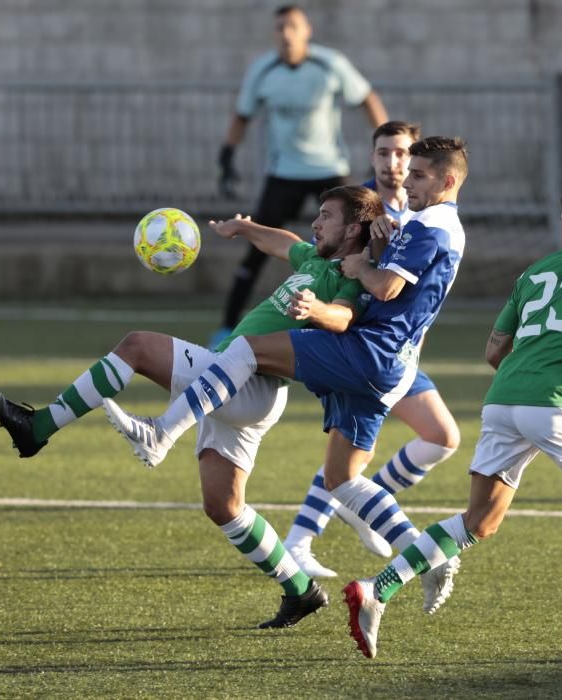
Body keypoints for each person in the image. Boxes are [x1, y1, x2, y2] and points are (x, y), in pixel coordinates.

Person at [0, 185, 385, 630]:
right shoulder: (314, 257)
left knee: (137, 346)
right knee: (224, 506)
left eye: (325, 216)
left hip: (247, 383)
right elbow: (284, 243)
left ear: (352, 229)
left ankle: (38, 427)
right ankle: (300, 591)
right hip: (234, 385)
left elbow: (345, 316)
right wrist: (245, 228)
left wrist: (317, 310)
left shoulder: (350, 272)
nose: (315, 223)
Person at [105, 136, 469, 616]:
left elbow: (383, 287)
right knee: (341, 478)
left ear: (446, 180)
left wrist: (359, 264)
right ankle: (429, 552)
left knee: (250, 349)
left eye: (418, 172)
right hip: (386, 361)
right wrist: (383, 233)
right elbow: (326, 251)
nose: (406, 176)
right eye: (401, 164)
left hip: (368, 352)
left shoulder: (431, 228)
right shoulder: (425, 223)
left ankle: (164, 431)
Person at [343, 183, 562, 660]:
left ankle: (378, 587)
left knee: (479, 521)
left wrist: (524, 386)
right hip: (555, 402)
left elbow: (494, 349)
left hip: (501, 401)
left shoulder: (534, 271)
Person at [283, 120, 462, 578]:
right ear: (373, 158)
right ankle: (301, 541)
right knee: (346, 462)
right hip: (367, 341)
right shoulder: (360, 206)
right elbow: (329, 256)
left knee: (441, 438)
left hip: (399, 350)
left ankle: (362, 505)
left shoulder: (425, 216)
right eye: (384, 154)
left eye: (403, 156)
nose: (394, 165)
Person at [213, 4, 388, 347]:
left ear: (306, 31)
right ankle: (226, 325)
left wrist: (380, 143)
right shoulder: (263, 71)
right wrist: (227, 155)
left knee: (358, 243)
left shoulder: (330, 64)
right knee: (255, 248)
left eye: (293, 26)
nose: (286, 33)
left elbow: (367, 97)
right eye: (280, 28)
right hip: (284, 172)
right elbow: (241, 115)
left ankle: (357, 317)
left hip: (329, 168)